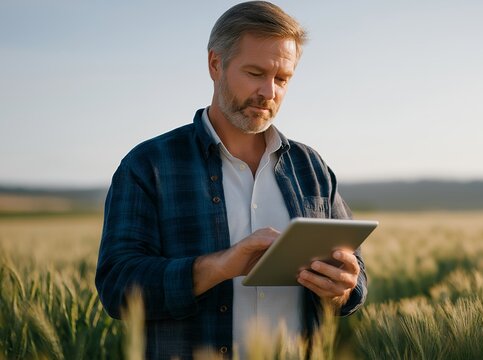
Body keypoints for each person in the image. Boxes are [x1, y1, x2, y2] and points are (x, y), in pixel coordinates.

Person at [95, 1, 367, 359]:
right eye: (255, 73)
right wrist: (219, 267)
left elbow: (356, 277)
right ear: (215, 64)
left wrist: (344, 289)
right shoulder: (149, 165)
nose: (269, 92)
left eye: (282, 79)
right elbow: (117, 288)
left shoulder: (311, 167)